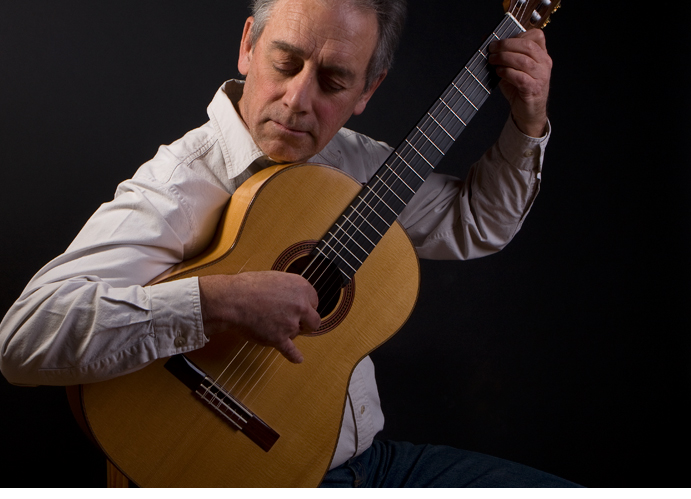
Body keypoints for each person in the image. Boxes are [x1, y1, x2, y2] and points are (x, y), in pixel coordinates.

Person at [0, 0, 578, 487]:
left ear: (368, 89)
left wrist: (526, 123)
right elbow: (23, 336)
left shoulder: (354, 164)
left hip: (370, 468)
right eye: (286, 62)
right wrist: (220, 301)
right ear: (249, 45)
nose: (299, 100)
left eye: (333, 81)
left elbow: (476, 220)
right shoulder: (180, 184)